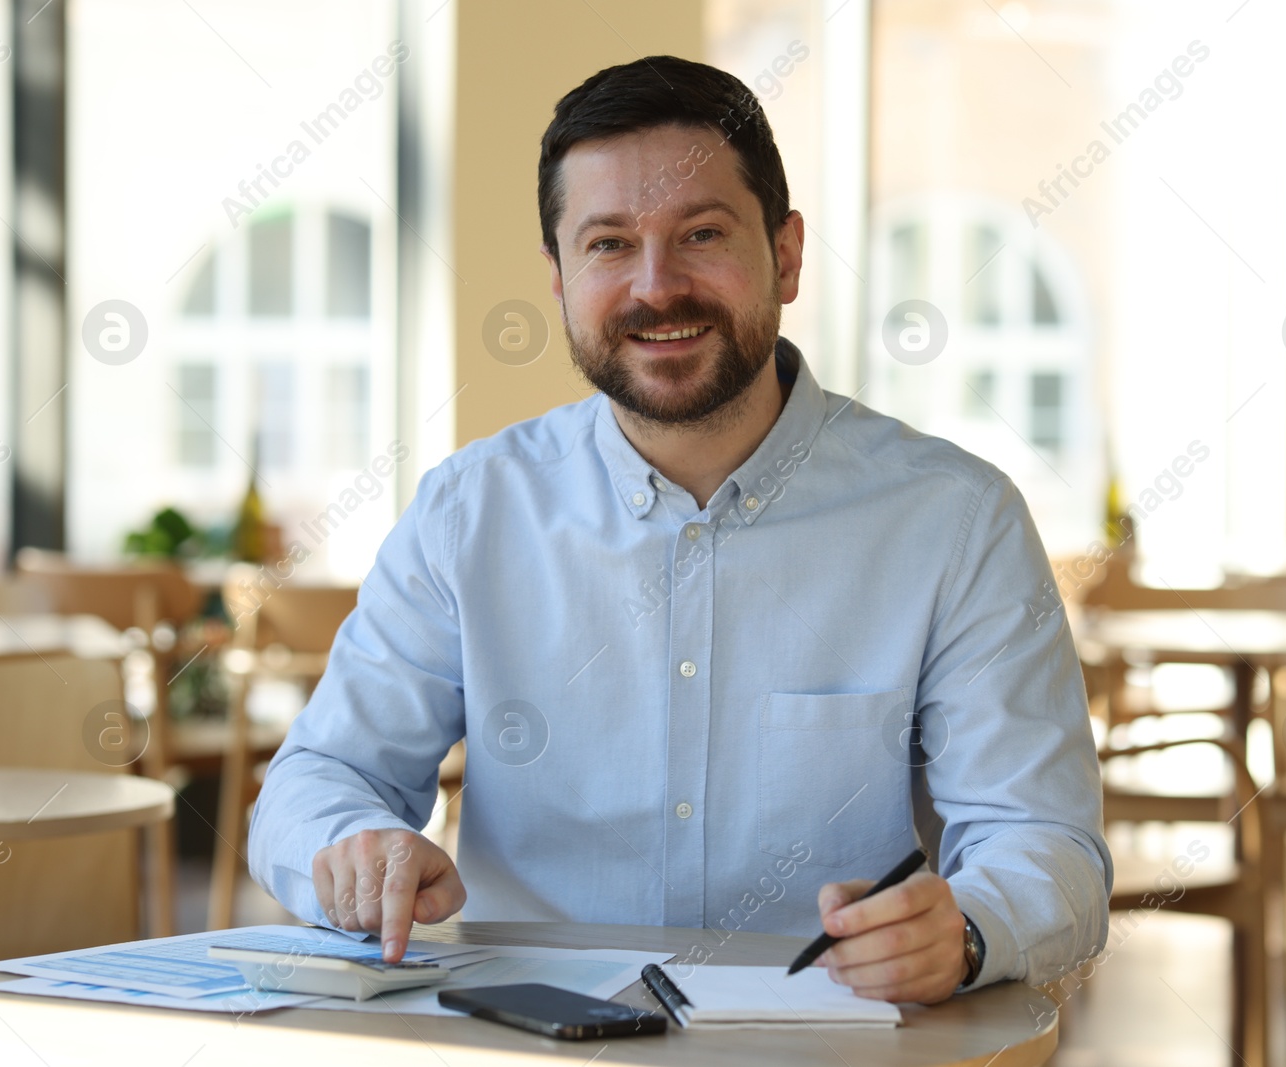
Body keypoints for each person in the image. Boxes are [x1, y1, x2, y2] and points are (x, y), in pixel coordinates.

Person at [248, 54, 1110, 1006]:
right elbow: (317, 777)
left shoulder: (954, 519)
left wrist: (972, 927)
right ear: (559, 275)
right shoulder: (470, 511)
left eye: (701, 233)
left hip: (834, 1048)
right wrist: (353, 849)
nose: (656, 288)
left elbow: (1047, 839)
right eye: (609, 244)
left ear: (785, 255)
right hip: (524, 1039)